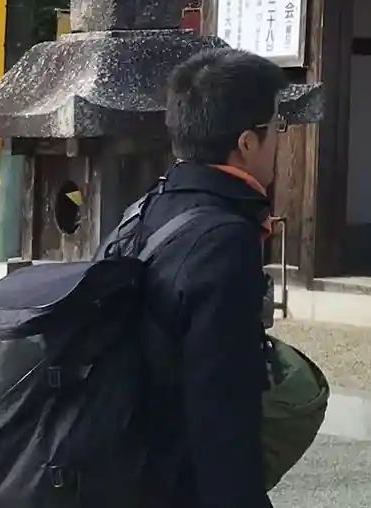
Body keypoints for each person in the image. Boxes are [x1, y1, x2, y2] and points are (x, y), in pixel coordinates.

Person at [138, 46, 286, 508]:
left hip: (133, 459)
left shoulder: (152, 206)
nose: (280, 140)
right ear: (247, 143)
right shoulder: (224, 240)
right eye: (276, 127)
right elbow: (221, 406)